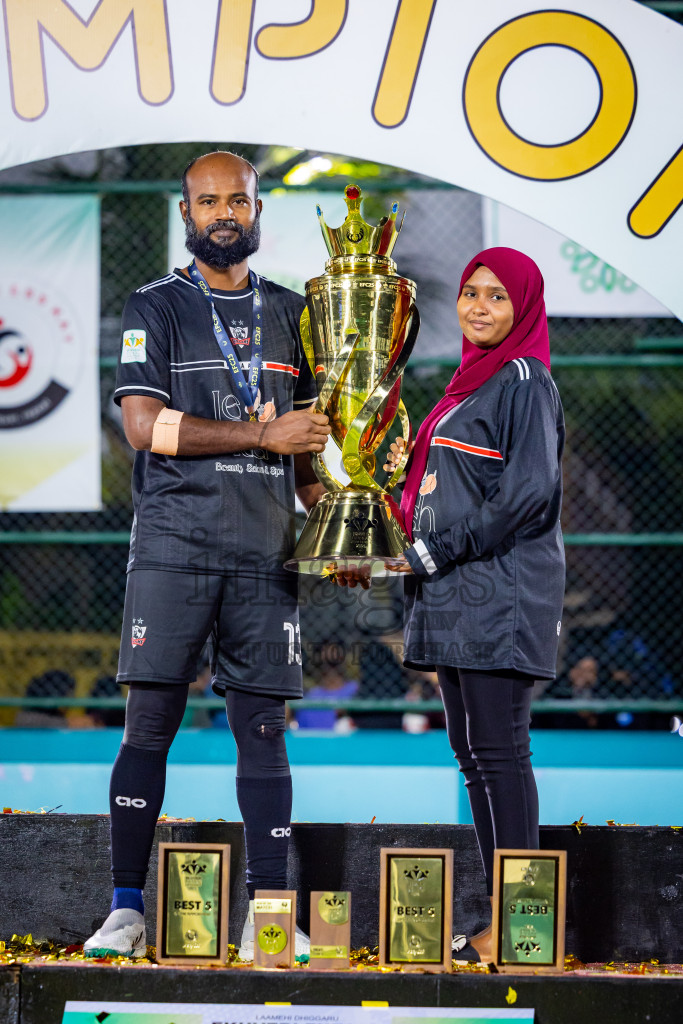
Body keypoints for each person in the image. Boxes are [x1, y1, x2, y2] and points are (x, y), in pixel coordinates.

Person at [83, 151, 329, 961]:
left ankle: (271, 913)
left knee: (264, 732)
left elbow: (305, 460)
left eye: (239, 199)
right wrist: (262, 431)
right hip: (174, 549)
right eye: (209, 201)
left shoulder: (297, 315)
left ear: (258, 211)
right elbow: (146, 428)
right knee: (148, 723)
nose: (224, 212)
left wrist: (348, 525)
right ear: (185, 214)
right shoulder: (152, 307)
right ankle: (125, 908)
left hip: (266, 556)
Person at [342, 247, 565, 962]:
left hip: (497, 591)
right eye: (471, 292)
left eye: (497, 297)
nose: (478, 306)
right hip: (452, 595)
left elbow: (528, 496)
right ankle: (507, 919)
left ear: (523, 305)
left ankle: (526, 929)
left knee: (500, 753)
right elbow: (449, 493)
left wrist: (431, 553)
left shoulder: (525, 381)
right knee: (473, 755)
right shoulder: (468, 386)